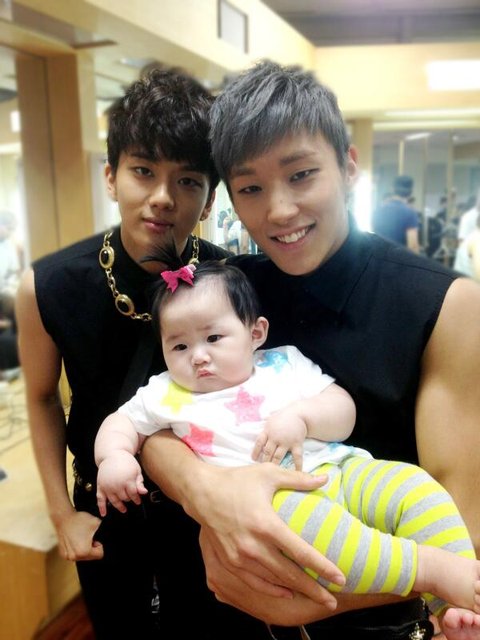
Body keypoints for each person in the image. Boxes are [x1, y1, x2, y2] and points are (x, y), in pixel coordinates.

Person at [140, 60, 480, 640]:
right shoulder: (227, 292)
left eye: (301, 175)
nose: (278, 210)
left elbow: (460, 516)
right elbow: (154, 426)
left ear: (348, 166)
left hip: (382, 622)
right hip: (228, 609)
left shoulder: (445, 303)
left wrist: (310, 601)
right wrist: (210, 494)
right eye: (251, 188)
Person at [96, 260, 480, 639]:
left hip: (340, 470)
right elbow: (120, 422)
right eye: (179, 345)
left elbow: (343, 410)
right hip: (272, 504)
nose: (197, 356)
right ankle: (427, 571)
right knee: (311, 528)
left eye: (213, 338)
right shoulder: (165, 392)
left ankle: (458, 609)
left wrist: (303, 418)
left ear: (256, 333)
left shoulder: (285, 363)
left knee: (412, 485)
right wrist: (115, 456)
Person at [14, 67, 232, 639]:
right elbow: (41, 398)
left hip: (205, 507)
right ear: (111, 177)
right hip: (103, 505)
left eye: (188, 180)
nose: (163, 197)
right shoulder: (49, 285)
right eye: (143, 171)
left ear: (209, 199)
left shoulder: (232, 279)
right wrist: (62, 514)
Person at [372, 175, 421, 252]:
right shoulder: (410, 213)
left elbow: (373, 238)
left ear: (393, 189)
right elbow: (413, 246)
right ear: (411, 192)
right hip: (399, 258)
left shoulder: (377, 211)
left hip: (378, 256)